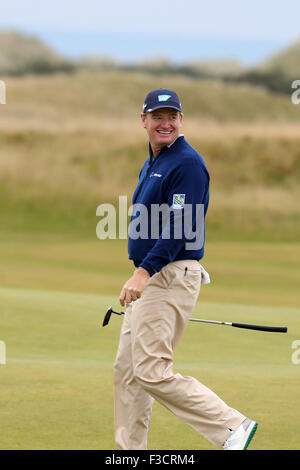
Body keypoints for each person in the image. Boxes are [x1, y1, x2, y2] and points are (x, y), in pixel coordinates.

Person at [113, 88, 257, 450]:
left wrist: (143, 273)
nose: (165, 123)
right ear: (143, 120)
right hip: (156, 275)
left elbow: (180, 226)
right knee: (128, 373)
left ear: (181, 120)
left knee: (150, 371)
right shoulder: (155, 161)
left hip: (165, 277)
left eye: (171, 116)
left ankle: (231, 427)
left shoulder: (186, 163)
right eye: (157, 117)